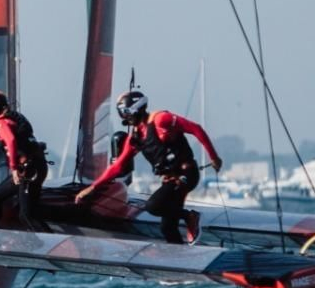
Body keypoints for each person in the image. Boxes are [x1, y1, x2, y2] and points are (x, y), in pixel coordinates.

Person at [75, 89, 222, 244]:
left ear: (135, 109)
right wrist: (93, 187)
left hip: (187, 174)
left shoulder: (161, 119)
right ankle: (180, 260)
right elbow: (118, 166)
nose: (124, 117)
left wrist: (213, 157)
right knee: (167, 228)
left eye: (125, 112)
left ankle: (190, 216)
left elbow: (196, 129)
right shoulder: (136, 137)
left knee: (153, 206)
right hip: (170, 181)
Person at [0, 91, 48, 229]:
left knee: (26, 216)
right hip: (34, 168)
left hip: (28, 172)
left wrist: (14, 168)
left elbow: (11, 140)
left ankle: (50, 246)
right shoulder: (11, 119)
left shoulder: (0, 124)